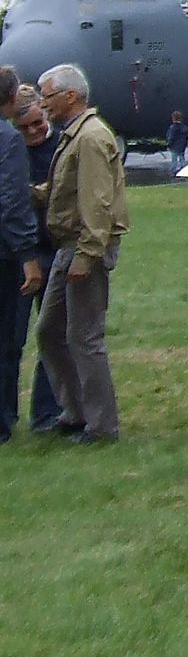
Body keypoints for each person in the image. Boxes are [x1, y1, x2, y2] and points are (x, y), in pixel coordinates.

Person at [36, 64, 128, 444]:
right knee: (49, 333)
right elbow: (67, 190)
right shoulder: (73, 135)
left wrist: (87, 256)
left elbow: (97, 201)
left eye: (47, 96)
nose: (42, 104)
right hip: (69, 245)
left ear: (69, 96)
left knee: (84, 338)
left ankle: (102, 426)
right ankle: (75, 412)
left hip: (83, 247)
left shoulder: (90, 138)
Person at [10, 86, 63, 433]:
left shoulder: (61, 146)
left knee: (54, 337)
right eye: (23, 127)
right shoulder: (10, 152)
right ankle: (5, 415)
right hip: (18, 254)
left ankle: (46, 413)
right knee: (11, 340)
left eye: (37, 123)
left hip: (55, 249)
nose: (33, 132)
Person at [0, 67, 43, 443]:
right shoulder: (8, 140)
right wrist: (27, 254)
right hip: (5, 255)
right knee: (8, 339)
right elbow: (13, 202)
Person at [165, 110, 188, 176]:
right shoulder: (184, 127)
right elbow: (186, 137)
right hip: (182, 146)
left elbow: (171, 137)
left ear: (173, 118)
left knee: (174, 160)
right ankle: (184, 170)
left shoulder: (173, 128)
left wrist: (168, 144)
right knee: (182, 158)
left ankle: (173, 172)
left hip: (174, 146)